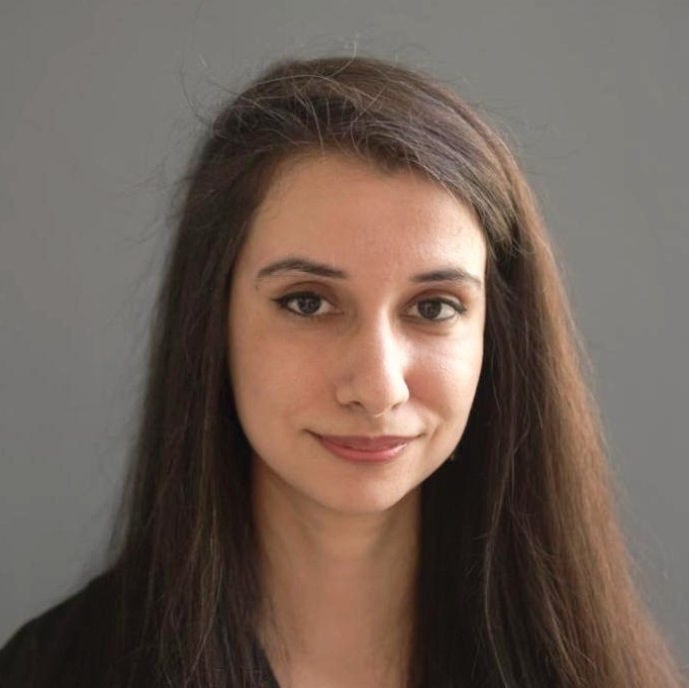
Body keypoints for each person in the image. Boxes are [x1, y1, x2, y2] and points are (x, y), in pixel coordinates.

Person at [0, 56, 684, 688]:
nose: (379, 386)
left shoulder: (594, 670)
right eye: (308, 302)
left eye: (434, 307)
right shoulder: (54, 671)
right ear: (212, 321)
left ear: (497, 335)